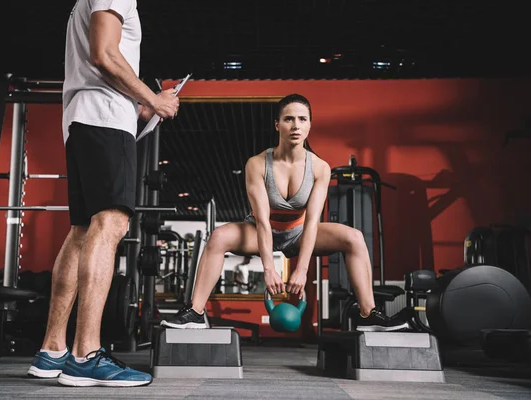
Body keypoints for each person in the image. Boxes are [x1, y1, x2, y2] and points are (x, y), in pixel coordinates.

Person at [161, 94, 409, 332]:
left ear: (310, 125)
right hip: (261, 230)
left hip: (300, 233)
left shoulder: (320, 168)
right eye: (289, 119)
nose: (295, 125)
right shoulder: (257, 164)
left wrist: (300, 271)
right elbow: (262, 221)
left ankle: (368, 314)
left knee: (354, 238)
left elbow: (313, 221)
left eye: (302, 119)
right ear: (277, 124)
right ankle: (195, 312)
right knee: (218, 237)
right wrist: (269, 269)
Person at [27, 0, 179, 387]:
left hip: (88, 118)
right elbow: (104, 54)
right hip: (104, 120)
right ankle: (86, 355)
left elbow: (102, 59)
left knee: (82, 230)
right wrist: (153, 99)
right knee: (111, 222)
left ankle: (53, 349)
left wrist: (139, 108)